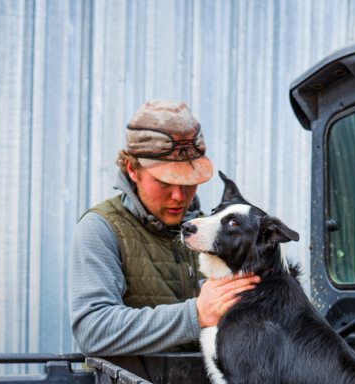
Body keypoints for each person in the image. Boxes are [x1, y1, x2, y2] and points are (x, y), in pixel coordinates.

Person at [68, 99, 258, 355]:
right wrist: (196, 314)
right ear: (132, 170)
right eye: (165, 181)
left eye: (189, 181)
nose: (180, 196)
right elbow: (93, 331)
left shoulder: (210, 233)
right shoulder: (101, 229)